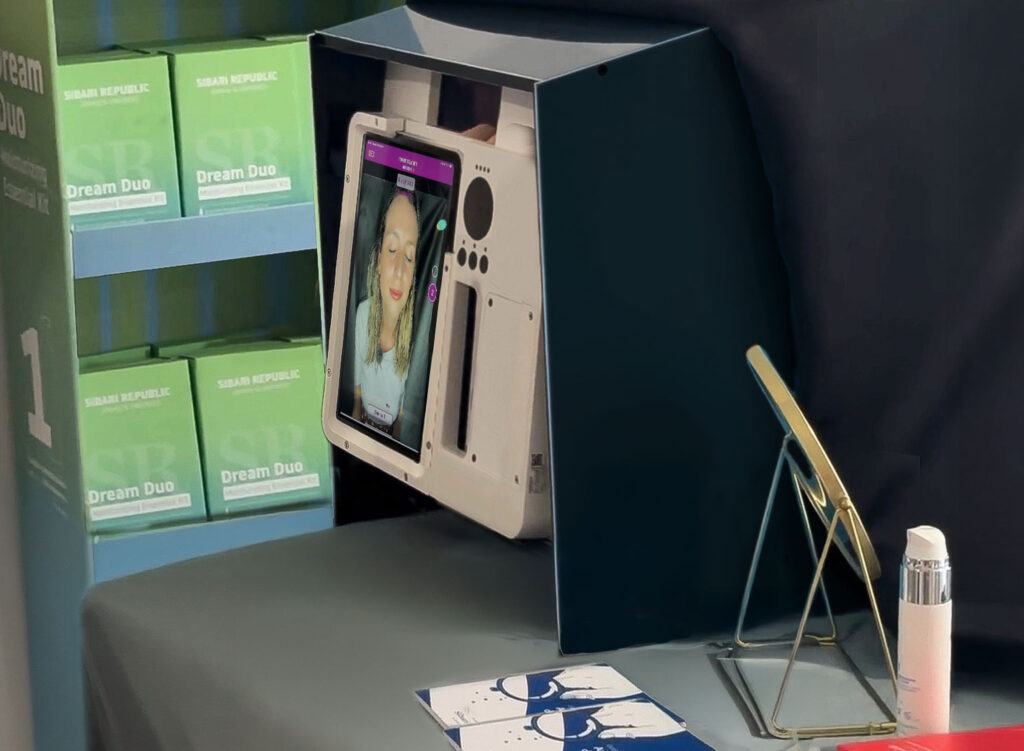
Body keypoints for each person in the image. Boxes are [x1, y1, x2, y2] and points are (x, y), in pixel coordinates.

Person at [352, 188, 419, 436]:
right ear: (379, 261)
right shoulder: (363, 314)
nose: (399, 271)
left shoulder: (415, 340)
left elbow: (403, 410)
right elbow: (357, 377)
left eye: (409, 257)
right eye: (392, 250)